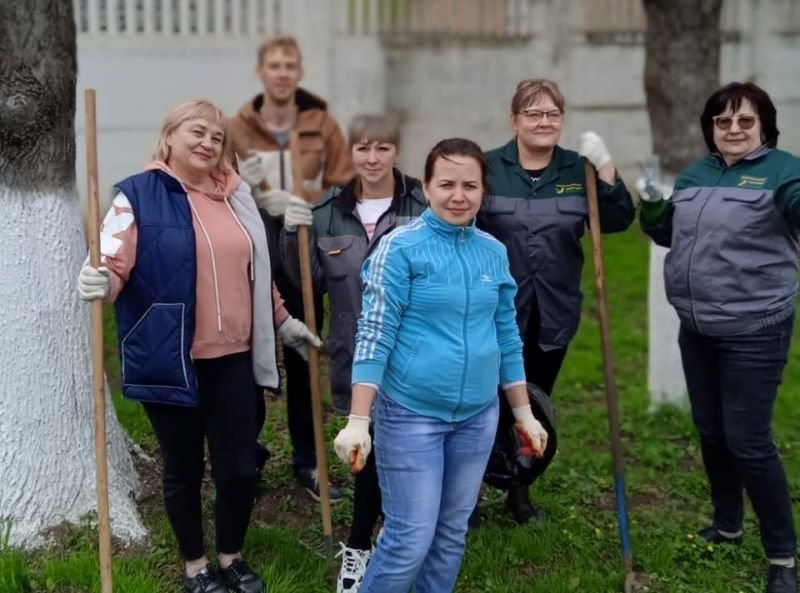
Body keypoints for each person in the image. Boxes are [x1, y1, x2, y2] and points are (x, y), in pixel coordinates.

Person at [77, 100, 320, 593]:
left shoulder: (237, 198)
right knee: (183, 467)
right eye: (198, 132)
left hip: (232, 359)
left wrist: (283, 320)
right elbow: (113, 262)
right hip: (169, 356)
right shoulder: (137, 197)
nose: (209, 143)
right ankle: (195, 568)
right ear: (169, 137)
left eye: (217, 137)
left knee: (238, 467)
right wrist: (100, 279)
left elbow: (256, 274)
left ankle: (230, 557)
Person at [332, 138, 549, 593]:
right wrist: (357, 421)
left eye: (470, 185)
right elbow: (373, 334)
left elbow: (506, 335)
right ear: (426, 188)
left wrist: (523, 412)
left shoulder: (492, 251)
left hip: (477, 417)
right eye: (446, 183)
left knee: (451, 535)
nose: (458, 195)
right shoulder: (401, 248)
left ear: (482, 191)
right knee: (410, 539)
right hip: (411, 415)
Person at [639, 81, 799, 593]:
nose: (733, 129)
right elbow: (669, 235)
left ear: (764, 126)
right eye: (722, 121)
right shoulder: (696, 173)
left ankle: (783, 558)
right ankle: (727, 524)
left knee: (749, 442)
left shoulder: (784, 172)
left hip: (755, 329)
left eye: (744, 121)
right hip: (698, 326)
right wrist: (654, 206)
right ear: (711, 128)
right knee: (711, 432)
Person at [280, 115, 427, 593]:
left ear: (396, 151)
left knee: (405, 451)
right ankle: (363, 546)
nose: (372, 157)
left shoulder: (423, 204)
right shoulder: (326, 211)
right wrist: (290, 235)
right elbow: (308, 283)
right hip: (354, 355)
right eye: (362, 147)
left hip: (414, 355)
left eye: (382, 147)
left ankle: (383, 537)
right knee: (366, 449)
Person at [477, 78, 635, 523]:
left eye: (552, 114)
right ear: (514, 120)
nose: (544, 122)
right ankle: (467, 491)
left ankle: (520, 488)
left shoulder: (577, 170)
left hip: (553, 312)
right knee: (482, 401)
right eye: (533, 113)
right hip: (492, 312)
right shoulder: (488, 167)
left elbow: (620, 220)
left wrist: (605, 169)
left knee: (536, 401)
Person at [229, 35, 353, 502]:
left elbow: (344, 183)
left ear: (298, 73)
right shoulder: (236, 128)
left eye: (290, 65)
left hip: (302, 256)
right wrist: (260, 192)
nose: (282, 73)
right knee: (246, 359)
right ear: (261, 71)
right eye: (274, 65)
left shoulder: (320, 124)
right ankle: (249, 454)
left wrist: (312, 204)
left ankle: (308, 459)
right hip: (248, 256)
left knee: (304, 357)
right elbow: (216, 181)